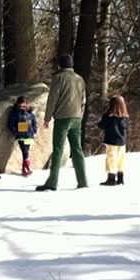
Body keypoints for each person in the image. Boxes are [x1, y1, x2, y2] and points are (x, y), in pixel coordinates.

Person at [36, 53, 88, 191]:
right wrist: (80, 115)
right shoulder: (80, 79)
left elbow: (52, 99)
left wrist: (47, 118)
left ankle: (52, 182)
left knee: (58, 150)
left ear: (60, 65)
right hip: (77, 117)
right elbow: (83, 100)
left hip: (62, 118)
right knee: (77, 149)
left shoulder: (58, 78)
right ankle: (82, 181)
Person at [97, 95, 130, 186]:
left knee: (111, 159)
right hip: (122, 142)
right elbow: (126, 127)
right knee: (120, 159)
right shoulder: (125, 118)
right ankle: (120, 178)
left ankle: (111, 178)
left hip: (111, 141)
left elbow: (101, 126)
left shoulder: (108, 117)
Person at [7, 96, 37, 177]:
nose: (22, 108)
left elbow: (34, 122)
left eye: (24, 106)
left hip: (29, 135)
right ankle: (28, 167)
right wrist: (15, 132)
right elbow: (11, 124)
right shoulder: (15, 114)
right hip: (20, 135)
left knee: (26, 151)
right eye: (20, 106)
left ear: (26, 105)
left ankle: (24, 169)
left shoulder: (30, 114)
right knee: (25, 151)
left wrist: (34, 130)